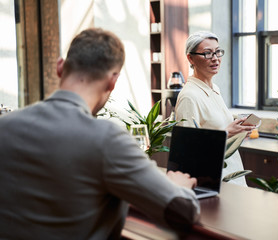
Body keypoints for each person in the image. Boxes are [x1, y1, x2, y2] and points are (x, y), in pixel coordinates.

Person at [0, 28, 199, 239]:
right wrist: (178, 187)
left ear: (60, 67)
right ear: (113, 81)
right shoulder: (106, 139)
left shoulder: (5, 126)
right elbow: (183, 212)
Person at [175, 31, 255, 186]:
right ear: (190, 58)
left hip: (232, 174)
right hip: (212, 179)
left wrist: (238, 133)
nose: (215, 58)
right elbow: (186, 150)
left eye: (218, 52)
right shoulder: (189, 97)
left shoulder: (215, 89)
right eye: (207, 53)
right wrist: (227, 132)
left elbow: (217, 132)